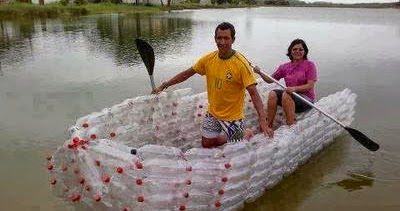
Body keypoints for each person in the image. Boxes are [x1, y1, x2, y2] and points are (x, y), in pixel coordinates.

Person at [152, 22, 272, 148]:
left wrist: (263, 121)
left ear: (233, 40)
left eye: (226, 38)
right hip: (213, 112)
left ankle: (245, 133)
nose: (222, 42)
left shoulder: (241, 64)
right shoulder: (209, 59)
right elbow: (187, 73)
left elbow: (254, 93)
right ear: (215, 39)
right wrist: (164, 85)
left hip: (233, 117)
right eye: (219, 38)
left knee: (237, 149)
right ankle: (229, 136)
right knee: (206, 144)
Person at [254, 39, 317, 134]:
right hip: (289, 96)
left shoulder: (309, 65)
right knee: (273, 93)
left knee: (286, 94)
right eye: (295, 49)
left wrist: (294, 89)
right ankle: (268, 125)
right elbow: (270, 80)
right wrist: (259, 72)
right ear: (290, 51)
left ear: (305, 52)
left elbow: (310, 85)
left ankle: (291, 124)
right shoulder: (284, 67)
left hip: (305, 99)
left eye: (300, 49)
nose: (297, 51)